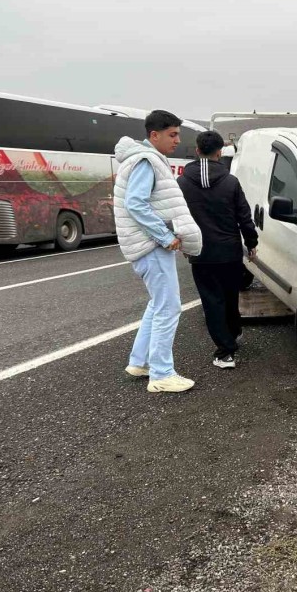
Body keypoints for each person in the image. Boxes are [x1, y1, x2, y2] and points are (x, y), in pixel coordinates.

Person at [113, 110, 204, 393]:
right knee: (168, 307)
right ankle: (162, 375)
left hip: (146, 245)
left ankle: (140, 361)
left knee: (158, 304)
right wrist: (165, 236)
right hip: (151, 245)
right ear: (154, 135)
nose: (177, 140)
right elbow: (136, 204)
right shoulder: (146, 160)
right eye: (172, 134)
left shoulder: (145, 159)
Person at [177, 130, 259, 369]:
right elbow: (245, 217)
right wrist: (251, 243)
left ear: (196, 150)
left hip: (200, 252)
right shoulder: (231, 181)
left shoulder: (182, 182)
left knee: (212, 301)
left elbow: (177, 217)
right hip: (229, 250)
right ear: (219, 152)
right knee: (230, 295)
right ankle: (233, 335)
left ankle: (225, 352)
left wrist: (183, 242)